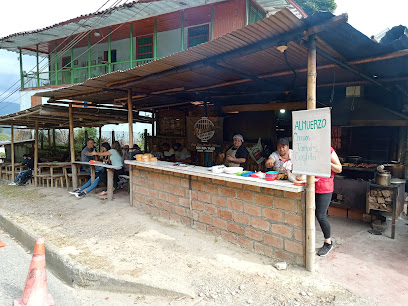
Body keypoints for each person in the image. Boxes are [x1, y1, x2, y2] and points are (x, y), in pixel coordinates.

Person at [315, 147, 342, 257]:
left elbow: (339, 169)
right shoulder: (307, 149)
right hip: (309, 185)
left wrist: (327, 162)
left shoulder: (328, 150)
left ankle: (328, 242)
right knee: (308, 213)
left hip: (324, 187)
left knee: (320, 215)